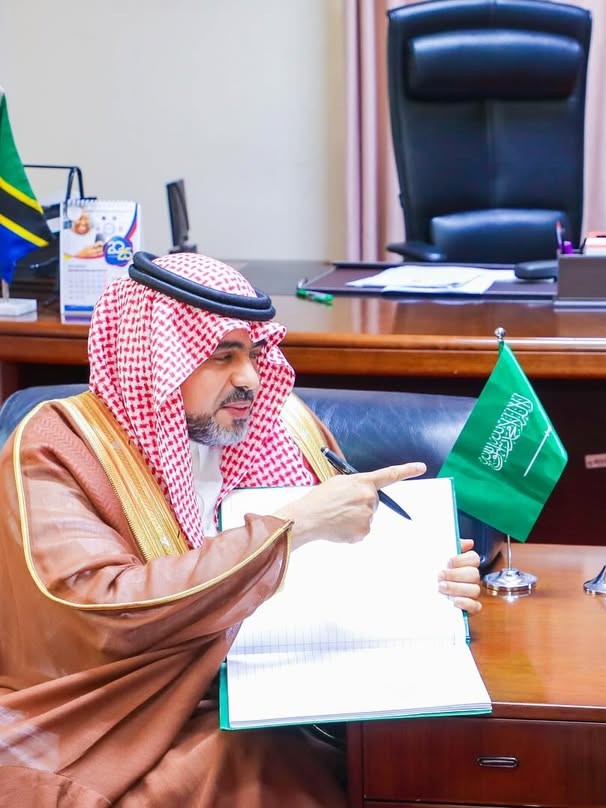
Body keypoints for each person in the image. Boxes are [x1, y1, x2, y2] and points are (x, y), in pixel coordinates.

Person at [0, 252, 483, 806]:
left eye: (253, 354)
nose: (250, 378)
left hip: (290, 695)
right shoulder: (56, 448)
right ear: (156, 359)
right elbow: (107, 611)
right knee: (241, 766)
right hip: (116, 716)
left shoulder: (286, 430)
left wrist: (433, 582)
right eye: (222, 356)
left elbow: (344, 562)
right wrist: (289, 527)